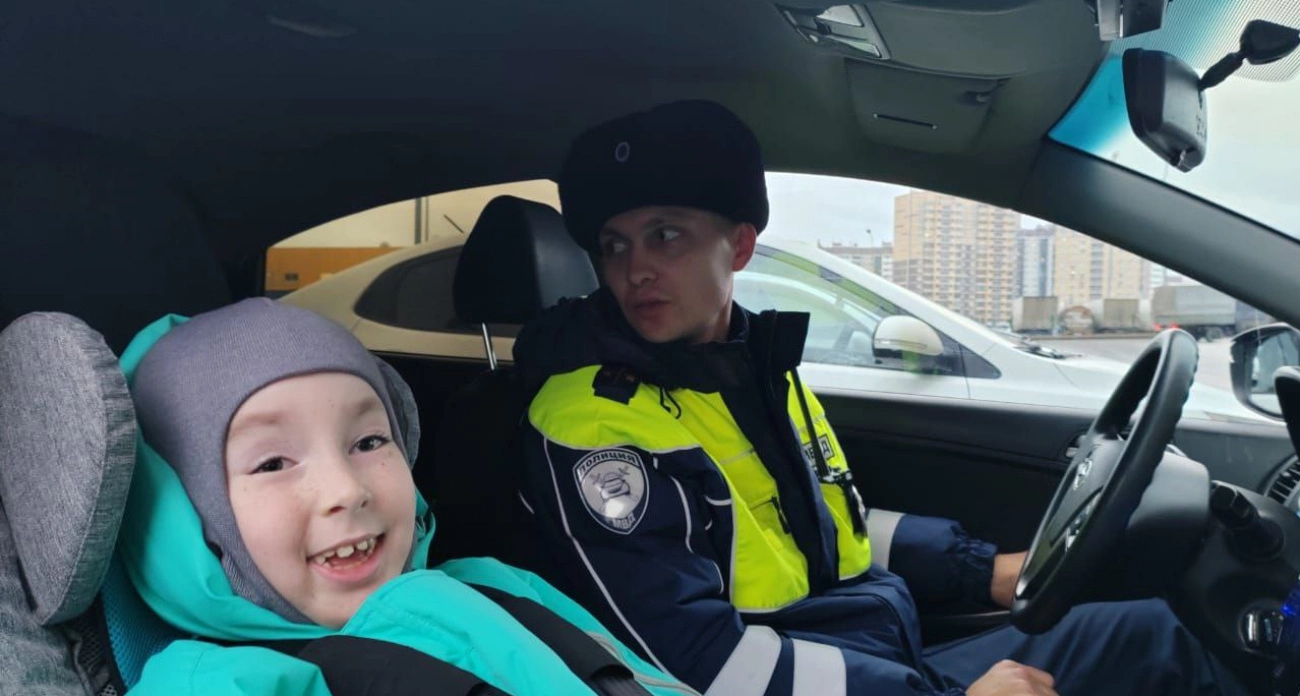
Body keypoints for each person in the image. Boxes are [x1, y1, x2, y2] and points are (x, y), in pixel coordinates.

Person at [512, 100, 1247, 696]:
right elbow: (694, 660)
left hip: (873, 653)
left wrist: (982, 569)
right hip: (826, 677)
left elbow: (834, 520)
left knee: (1157, 632)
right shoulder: (589, 423)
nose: (635, 269)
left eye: (664, 235)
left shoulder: (756, 370)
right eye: (615, 245)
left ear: (738, 246)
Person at [115, 298, 697, 695]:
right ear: (187, 521)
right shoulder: (217, 684)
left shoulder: (496, 584)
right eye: (272, 463)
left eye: (370, 441)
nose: (347, 490)